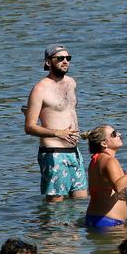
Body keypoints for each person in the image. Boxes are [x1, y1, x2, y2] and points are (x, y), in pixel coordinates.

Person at [24, 44, 87, 202]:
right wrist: (58, 133)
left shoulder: (71, 83)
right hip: (54, 154)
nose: (65, 61)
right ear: (48, 62)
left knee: (81, 201)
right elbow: (29, 127)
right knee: (56, 207)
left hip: (75, 152)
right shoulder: (40, 89)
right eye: (60, 58)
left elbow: (67, 113)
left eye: (68, 58)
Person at [83, 125, 127, 229]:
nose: (119, 134)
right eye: (114, 134)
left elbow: (99, 186)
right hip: (110, 224)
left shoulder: (95, 160)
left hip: (94, 218)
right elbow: (118, 187)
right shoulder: (110, 161)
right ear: (104, 143)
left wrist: (126, 177)